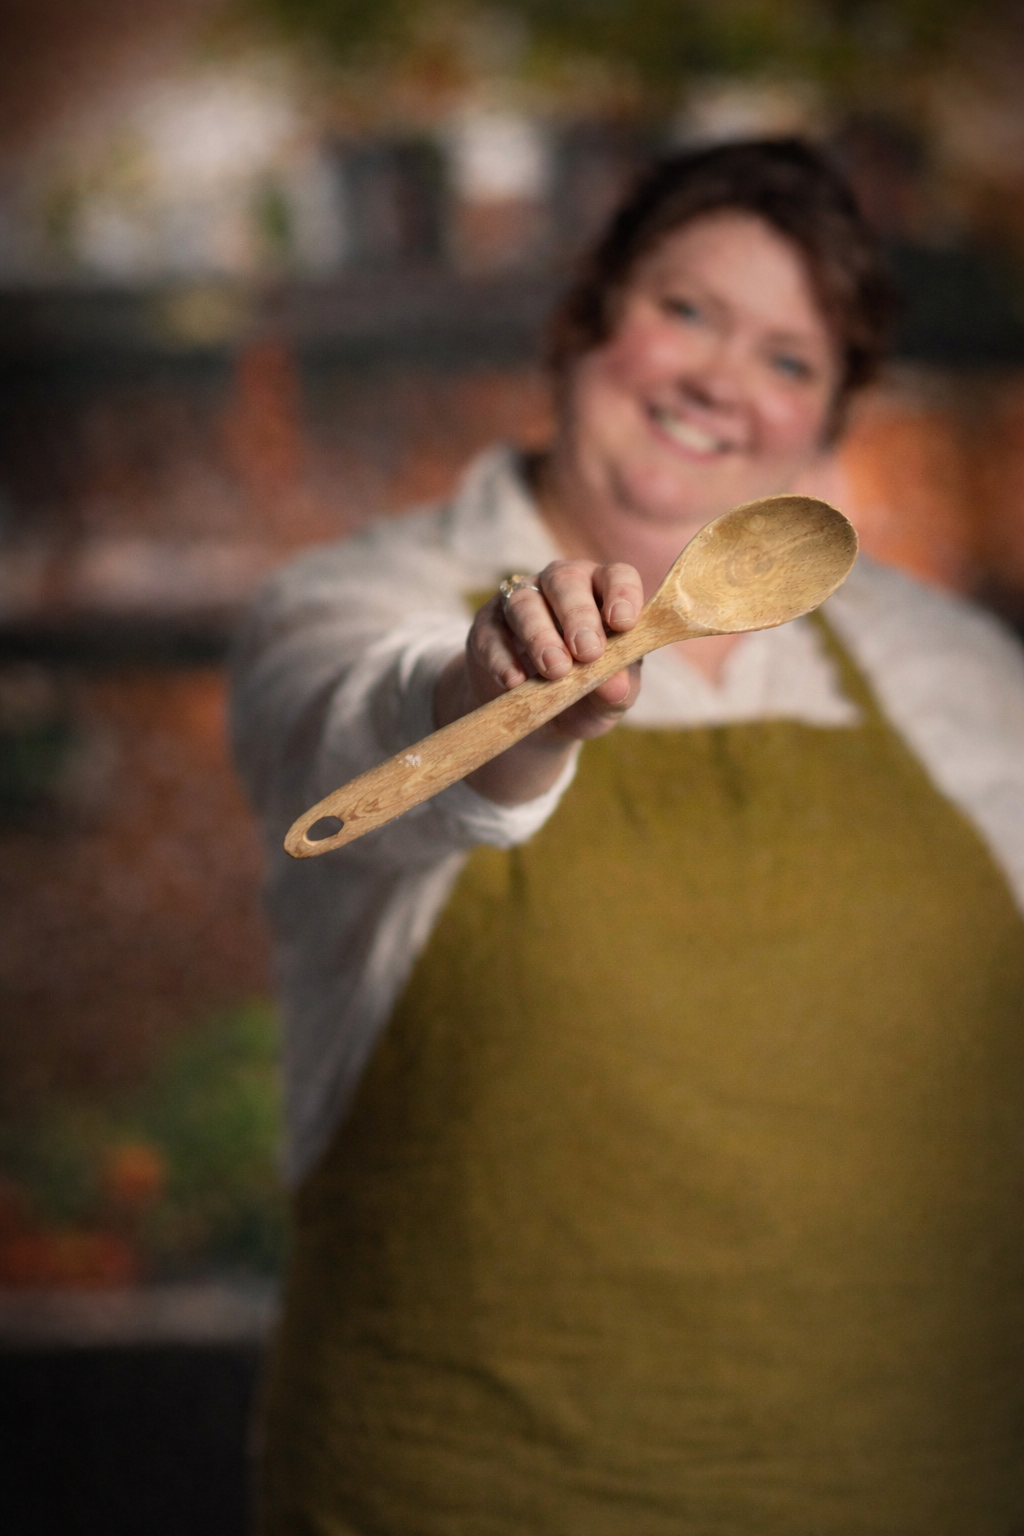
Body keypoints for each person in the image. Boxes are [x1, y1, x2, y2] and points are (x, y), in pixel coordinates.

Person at [231, 139, 1024, 1533]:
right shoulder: (351, 606)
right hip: (460, 1495)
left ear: (829, 423)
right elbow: (355, 737)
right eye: (687, 310)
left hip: (907, 1484)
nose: (724, 380)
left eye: (791, 359)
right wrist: (505, 697)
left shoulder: (949, 667)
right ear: (581, 322)